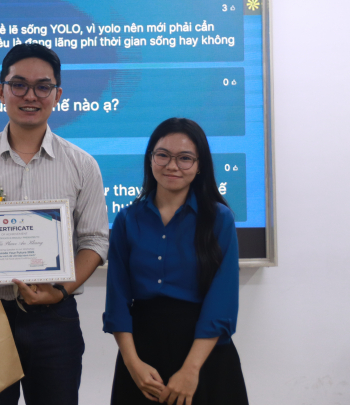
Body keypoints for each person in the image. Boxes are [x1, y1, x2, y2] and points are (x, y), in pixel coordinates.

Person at [0, 44, 110, 405]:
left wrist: (59, 291)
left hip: (54, 318)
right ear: (1, 91)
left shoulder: (82, 165)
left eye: (42, 86)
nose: (30, 96)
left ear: (57, 95)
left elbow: (95, 241)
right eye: (18, 85)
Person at [103, 118, 248, 405]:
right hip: (143, 357)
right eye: (163, 155)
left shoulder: (219, 219)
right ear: (150, 159)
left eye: (184, 158)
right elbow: (117, 300)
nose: (172, 166)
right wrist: (133, 364)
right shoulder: (127, 220)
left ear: (199, 165)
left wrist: (191, 370)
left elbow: (222, 301)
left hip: (204, 354)